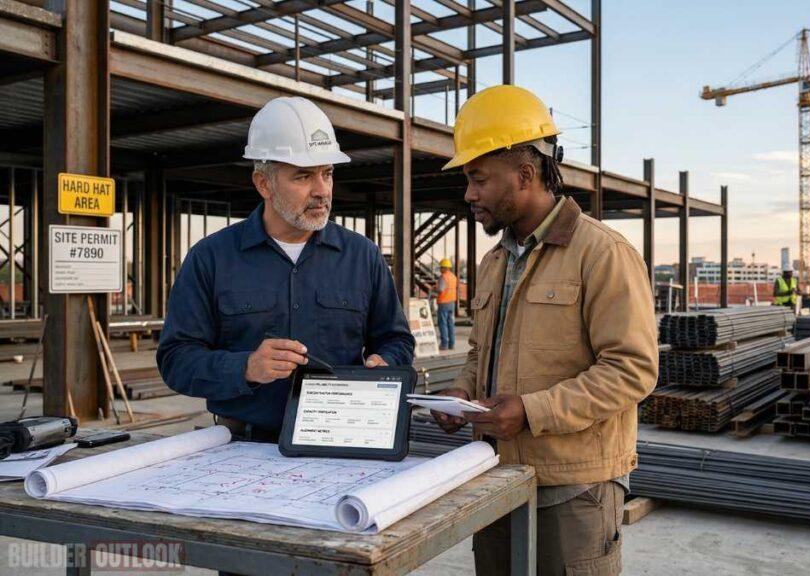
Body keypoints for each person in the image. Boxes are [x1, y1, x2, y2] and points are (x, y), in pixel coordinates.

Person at [432, 85, 658, 576]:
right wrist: (462, 392)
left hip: (573, 490)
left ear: (526, 174)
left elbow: (633, 370)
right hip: (495, 477)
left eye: (478, 179)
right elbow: (481, 353)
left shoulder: (601, 254)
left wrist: (531, 412)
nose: (468, 194)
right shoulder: (494, 262)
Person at [157, 96, 416, 444]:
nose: (321, 190)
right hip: (241, 450)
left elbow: (396, 339)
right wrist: (246, 367)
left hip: (343, 443)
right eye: (304, 176)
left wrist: (384, 361)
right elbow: (176, 360)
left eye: (327, 174)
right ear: (264, 183)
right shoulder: (211, 259)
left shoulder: (362, 256)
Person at [436, 258, 458, 350]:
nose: (440, 269)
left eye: (441, 267)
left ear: (445, 268)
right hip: (452, 303)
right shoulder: (453, 277)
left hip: (443, 303)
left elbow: (441, 289)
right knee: (450, 324)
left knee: (443, 323)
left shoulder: (443, 277)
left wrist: (434, 289)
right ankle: (451, 344)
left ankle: (444, 344)